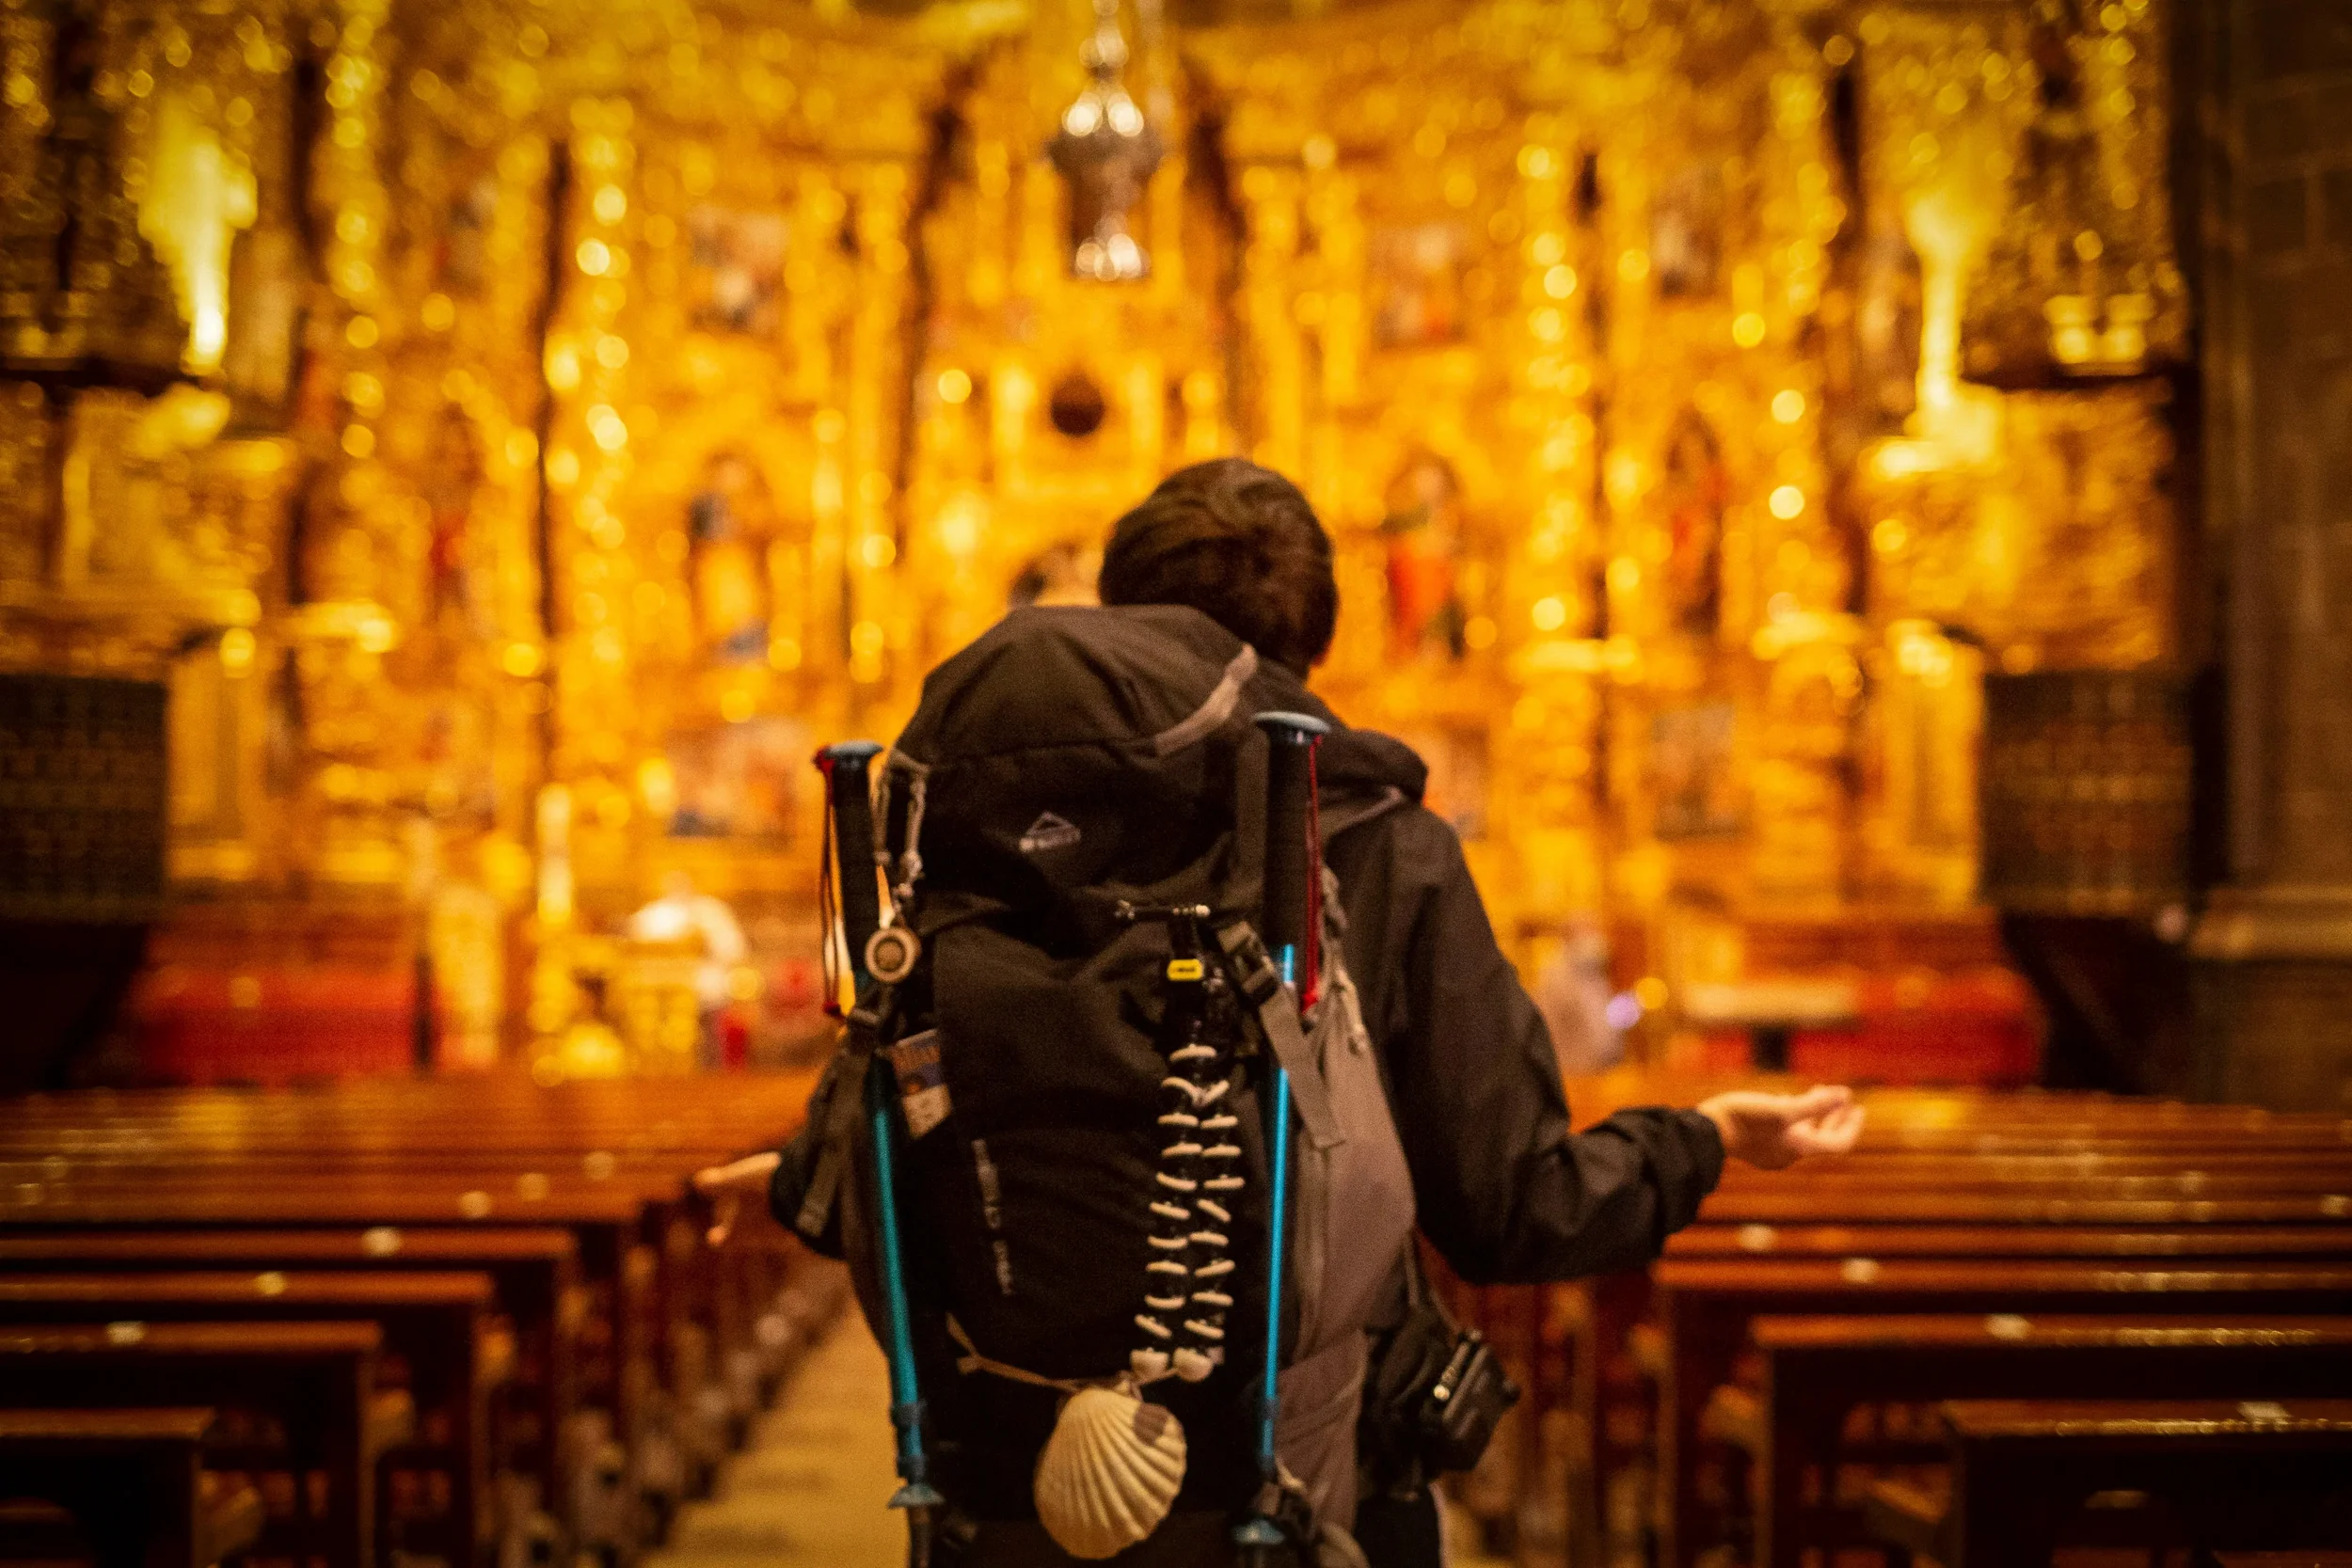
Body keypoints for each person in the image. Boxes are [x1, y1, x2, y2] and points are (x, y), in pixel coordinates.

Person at [697, 458, 1864, 1564]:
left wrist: (812, 1165)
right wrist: (1702, 1136)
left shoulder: (964, 829)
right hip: (1303, 1484)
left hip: (999, 1489)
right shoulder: (1377, 842)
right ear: (1316, 636)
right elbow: (1512, 1208)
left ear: (1122, 613)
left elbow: (913, 1115)